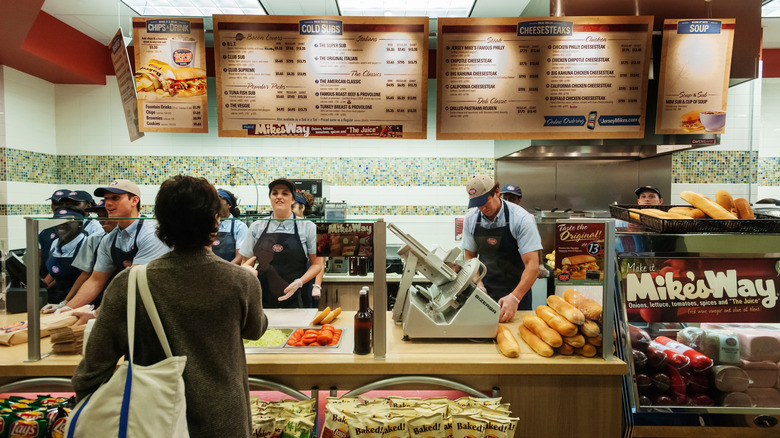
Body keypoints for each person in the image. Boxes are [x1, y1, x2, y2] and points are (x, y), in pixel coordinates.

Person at [72, 175, 267, 437]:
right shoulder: (241, 281)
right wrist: (253, 284)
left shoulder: (129, 283)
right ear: (215, 220)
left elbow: (91, 371)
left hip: (150, 422)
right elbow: (255, 330)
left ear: (160, 223)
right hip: (222, 421)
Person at [57, 179, 170, 311]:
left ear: (134, 201)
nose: (108, 203)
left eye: (115, 198)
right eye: (106, 198)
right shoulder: (109, 239)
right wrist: (68, 308)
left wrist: (99, 313)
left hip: (158, 306)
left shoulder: (151, 233)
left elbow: (134, 282)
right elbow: (96, 281)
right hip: (129, 304)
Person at [462, 174, 542, 322]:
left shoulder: (522, 219)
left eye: (484, 201)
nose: (482, 208)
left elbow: (533, 265)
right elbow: (470, 258)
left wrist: (515, 297)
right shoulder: (471, 219)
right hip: (486, 293)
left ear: (497, 192)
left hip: (518, 294)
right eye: (477, 204)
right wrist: (478, 285)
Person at [239, 178, 322, 309]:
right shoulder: (257, 227)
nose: (279, 197)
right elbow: (246, 262)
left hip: (297, 296)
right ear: (270, 197)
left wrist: (300, 282)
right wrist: (250, 275)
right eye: (275, 193)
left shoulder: (308, 227)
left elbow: (317, 264)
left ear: (293, 199)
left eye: (285, 193)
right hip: (261, 297)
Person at [42, 200, 118, 314]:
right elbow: (86, 276)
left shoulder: (137, 237)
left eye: (106, 215)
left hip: (114, 299)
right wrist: (65, 304)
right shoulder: (94, 239)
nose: (102, 220)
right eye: (99, 216)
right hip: (88, 300)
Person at [41, 207, 89, 304]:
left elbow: (85, 276)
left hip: (78, 299)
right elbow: (56, 272)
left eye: (66, 221)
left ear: (79, 224)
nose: (61, 225)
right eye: (57, 221)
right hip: (55, 298)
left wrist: (66, 302)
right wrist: (40, 288)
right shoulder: (55, 243)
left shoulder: (86, 243)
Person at [39, 189, 71, 277]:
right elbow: (39, 256)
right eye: (54, 203)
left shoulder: (76, 228)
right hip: (44, 280)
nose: (56, 207)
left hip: (64, 280)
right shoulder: (44, 229)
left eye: (60, 203)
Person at [212, 188, 249, 264]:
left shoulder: (239, 227)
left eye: (218, 199)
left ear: (229, 204)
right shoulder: (208, 225)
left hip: (231, 273)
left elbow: (240, 257)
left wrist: (226, 270)